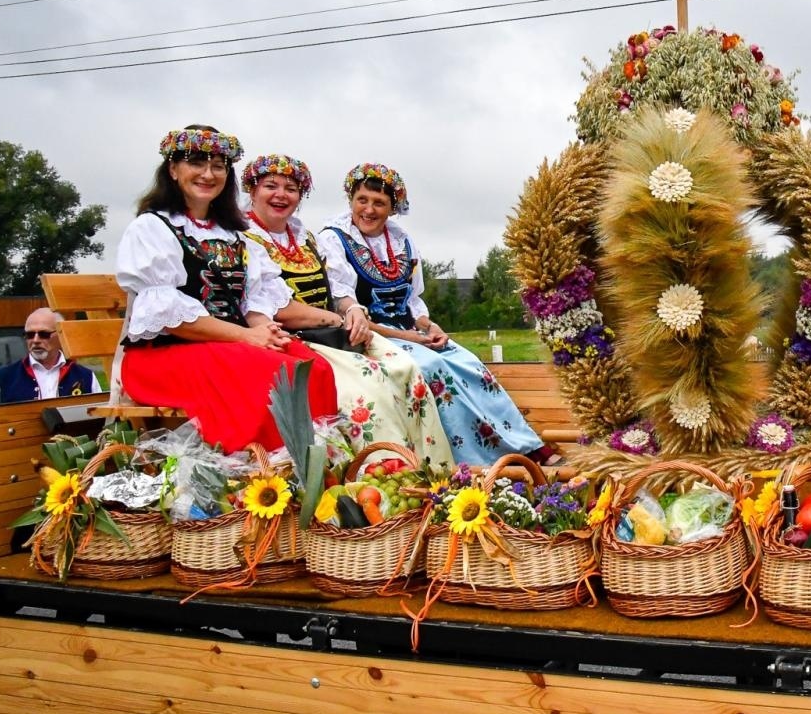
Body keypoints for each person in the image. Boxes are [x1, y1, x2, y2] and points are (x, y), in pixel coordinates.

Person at [115, 125, 338, 452]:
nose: (208, 174)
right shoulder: (152, 227)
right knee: (274, 374)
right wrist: (247, 337)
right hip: (165, 355)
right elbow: (166, 315)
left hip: (227, 346)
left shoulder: (235, 234)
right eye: (197, 163)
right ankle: (257, 468)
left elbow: (253, 304)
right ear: (173, 170)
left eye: (218, 166)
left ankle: (315, 462)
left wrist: (267, 332)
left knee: (313, 367)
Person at [317, 163, 558, 467]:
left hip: (410, 332)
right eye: (362, 200)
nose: (368, 209)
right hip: (369, 334)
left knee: (468, 362)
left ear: (393, 208)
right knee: (432, 367)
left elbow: (413, 299)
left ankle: (522, 446)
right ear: (350, 199)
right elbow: (345, 305)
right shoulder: (334, 239)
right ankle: (471, 460)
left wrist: (430, 326)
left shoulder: (401, 241)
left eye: (379, 203)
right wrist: (411, 336)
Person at [240, 154, 454, 468]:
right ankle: (383, 475)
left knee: (406, 369)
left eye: (291, 188)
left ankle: (432, 471)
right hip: (293, 336)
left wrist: (352, 308)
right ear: (252, 191)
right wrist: (339, 318)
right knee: (370, 392)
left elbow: (337, 290)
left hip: (328, 331)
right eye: (271, 186)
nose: (281, 195)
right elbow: (278, 309)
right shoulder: (245, 239)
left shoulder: (303, 237)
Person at [0, 307, 102, 405]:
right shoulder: (1, 378)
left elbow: (100, 421)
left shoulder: (86, 377)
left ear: (61, 334)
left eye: (43, 334)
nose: (35, 340)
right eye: (29, 334)